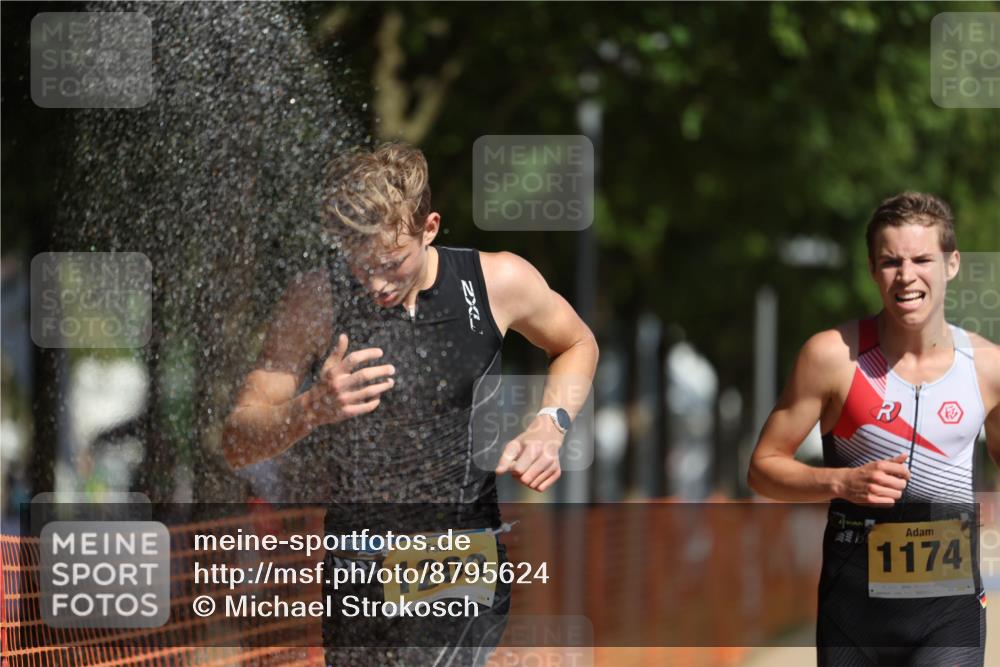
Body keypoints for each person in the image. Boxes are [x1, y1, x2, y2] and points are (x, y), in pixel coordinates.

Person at [222, 142, 599, 665]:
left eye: (392, 263)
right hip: (354, 568)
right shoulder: (317, 298)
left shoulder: (497, 281)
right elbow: (237, 440)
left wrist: (550, 425)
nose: (376, 283)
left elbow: (577, 344)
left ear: (430, 228)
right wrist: (309, 408)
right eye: (361, 265)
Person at [748, 192, 1000, 666]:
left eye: (922, 259)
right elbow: (762, 468)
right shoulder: (832, 358)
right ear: (872, 269)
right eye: (891, 262)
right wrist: (839, 481)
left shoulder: (988, 368)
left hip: (950, 611)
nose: (907, 277)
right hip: (855, 612)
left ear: (952, 264)